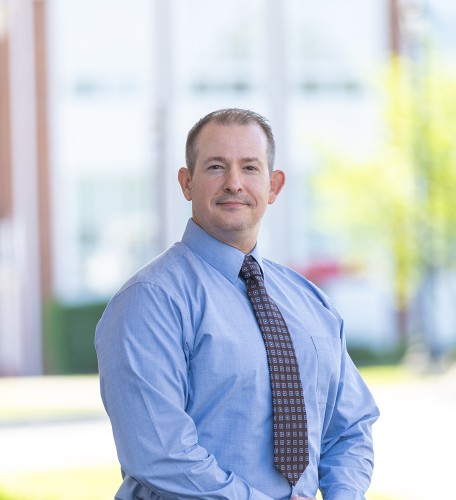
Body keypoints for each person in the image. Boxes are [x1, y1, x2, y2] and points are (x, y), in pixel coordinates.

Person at [95, 108, 379, 500]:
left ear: (274, 186)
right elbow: (160, 453)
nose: (234, 183)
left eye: (250, 167)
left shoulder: (311, 302)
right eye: (215, 167)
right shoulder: (150, 301)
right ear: (186, 183)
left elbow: (349, 428)